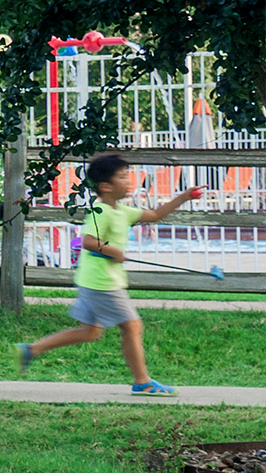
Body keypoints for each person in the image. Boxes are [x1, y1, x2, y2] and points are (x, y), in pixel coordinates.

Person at [20, 151, 203, 395]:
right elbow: (86, 241)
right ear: (105, 185)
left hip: (92, 280)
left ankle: (30, 350)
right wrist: (113, 251)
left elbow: (157, 215)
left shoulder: (123, 211)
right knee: (132, 326)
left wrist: (185, 196)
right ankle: (143, 382)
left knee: (89, 332)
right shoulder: (100, 211)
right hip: (102, 283)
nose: (129, 181)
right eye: (123, 177)